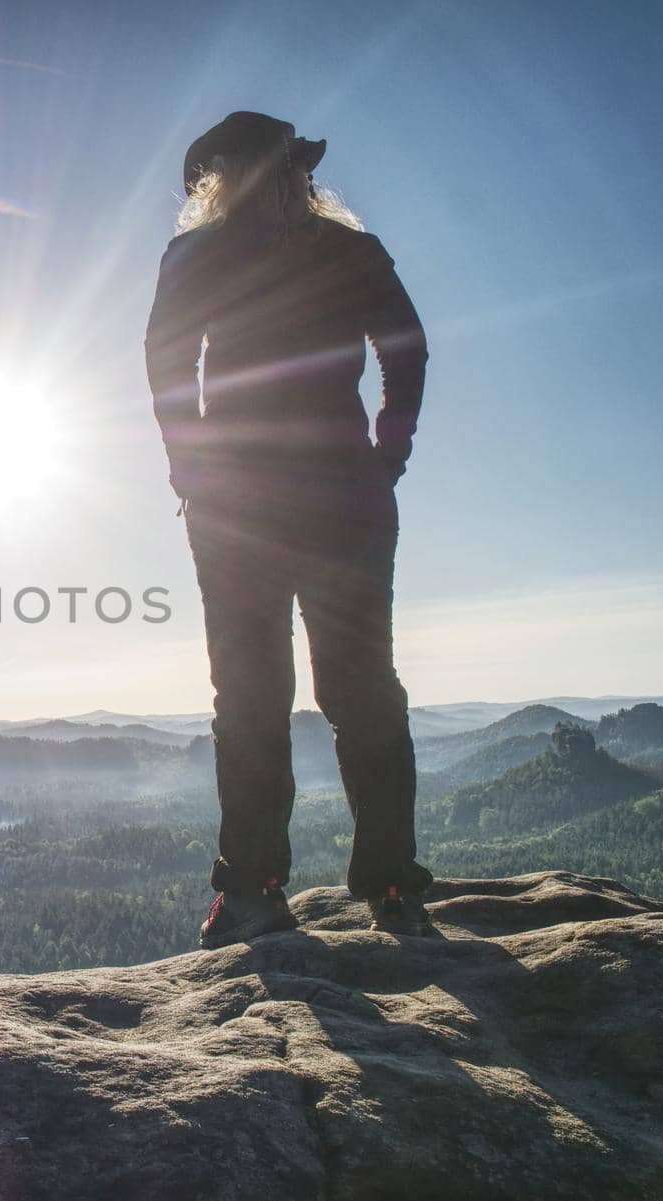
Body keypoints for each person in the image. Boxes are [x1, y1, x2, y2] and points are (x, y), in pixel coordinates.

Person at [143, 111, 435, 946]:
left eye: (291, 172)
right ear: (233, 181)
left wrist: (390, 447)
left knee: (287, 695)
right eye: (276, 171)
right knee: (312, 694)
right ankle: (335, 881)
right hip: (290, 501)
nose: (287, 185)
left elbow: (166, 366)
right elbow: (405, 352)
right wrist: (387, 448)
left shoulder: (228, 255)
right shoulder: (332, 251)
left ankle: (281, 888)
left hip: (283, 502)